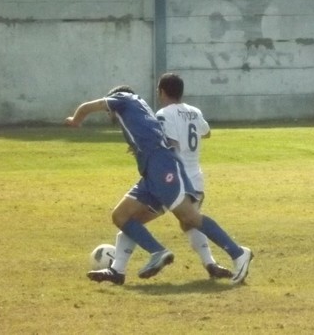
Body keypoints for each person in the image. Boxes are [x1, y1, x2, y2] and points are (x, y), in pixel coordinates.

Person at [65, 84, 253, 285]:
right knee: (122, 216)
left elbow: (88, 106)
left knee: (189, 217)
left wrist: (75, 120)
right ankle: (121, 269)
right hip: (152, 170)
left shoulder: (123, 98)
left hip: (161, 166)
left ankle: (238, 253)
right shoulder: (140, 106)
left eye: (108, 111)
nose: (109, 115)